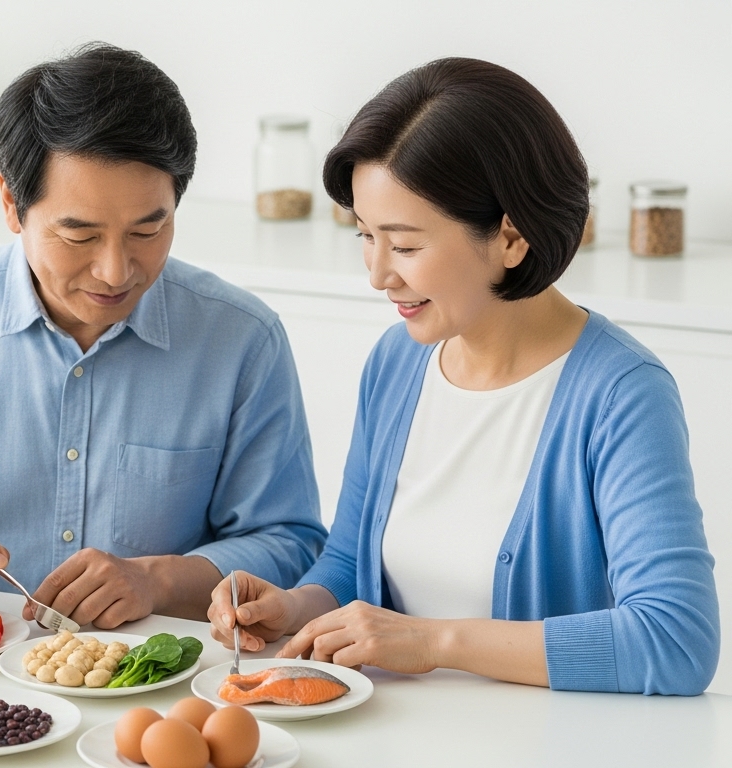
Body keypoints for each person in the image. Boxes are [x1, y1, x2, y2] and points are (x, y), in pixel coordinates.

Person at [208, 58, 719, 694]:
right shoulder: (397, 363)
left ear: (511, 237)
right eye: (366, 236)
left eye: (405, 245)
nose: (378, 274)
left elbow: (675, 640)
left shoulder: (621, 395)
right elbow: (348, 563)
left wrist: (434, 642)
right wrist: (295, 606)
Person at [0, 43, 327, 628]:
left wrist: (158, 581)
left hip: (158, 668)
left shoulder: (243, 339)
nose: (115, 271)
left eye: (148, 230)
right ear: (10, 204)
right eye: (79, 236)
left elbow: (290, 543)